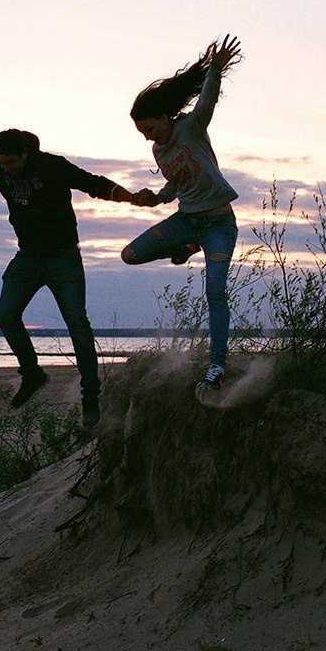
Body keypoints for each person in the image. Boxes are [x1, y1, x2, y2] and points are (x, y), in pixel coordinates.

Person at [0, 121, 139, 428]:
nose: (6, 169)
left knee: (77, 323)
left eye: (11, 162)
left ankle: (90, 398)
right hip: (27, 258)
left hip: (63, 257)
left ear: (25, 153)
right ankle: (32, 373)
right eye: (1, 163)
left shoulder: (52, 166)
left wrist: (129, 197)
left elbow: (93, 183)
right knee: (6, 314)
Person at [122, 34, 243, 393]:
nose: (147, 137)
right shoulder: (159, 151)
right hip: (187, 220)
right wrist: (155, 199)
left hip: (219, 224)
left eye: (150, 128)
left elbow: (207, 102)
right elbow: (177, 184)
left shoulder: (191, 127)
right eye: (142, 132)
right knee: (130, 255)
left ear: (164, 116)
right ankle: (188, 244)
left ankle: (217, 366)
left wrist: (215, 70)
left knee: (215, 291)